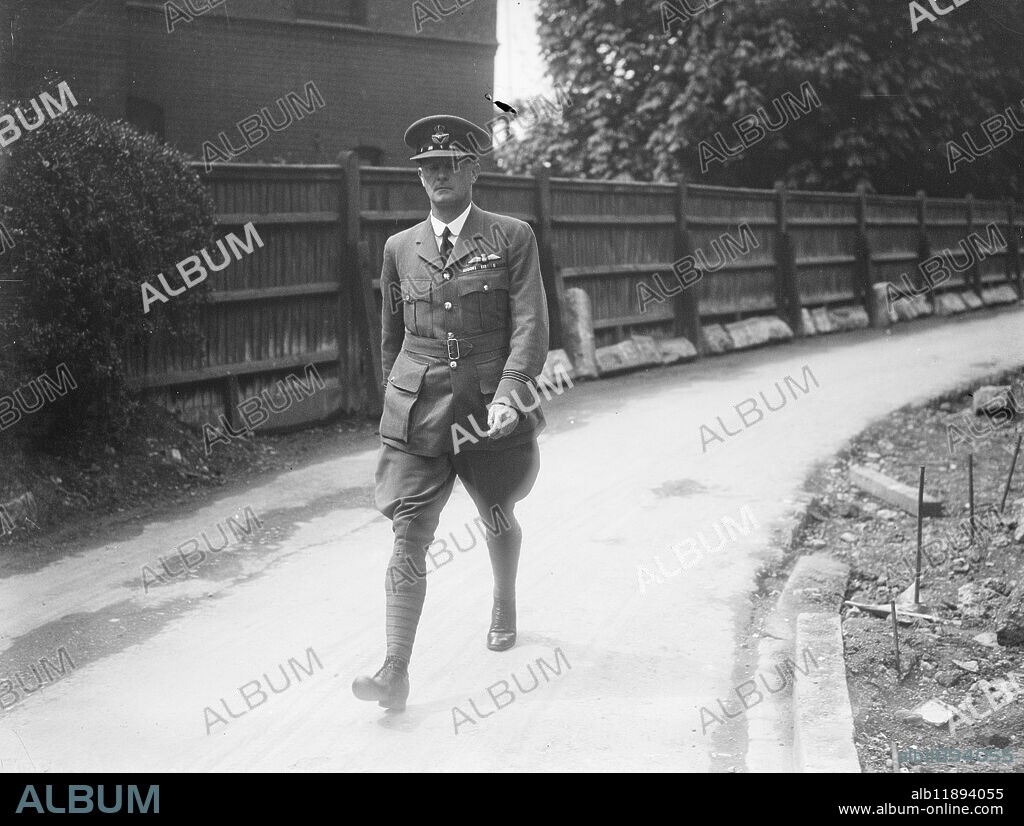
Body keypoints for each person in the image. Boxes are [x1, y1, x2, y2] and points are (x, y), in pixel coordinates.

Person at [351, 115, 550, 712]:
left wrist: (510, 395)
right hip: (419, 410)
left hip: (488, 407)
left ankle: (504, 602)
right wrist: (396, 401)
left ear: (472, 171)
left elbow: (530, 324)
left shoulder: (511, 237)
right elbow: (391, 339)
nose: (439, 175)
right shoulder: (399, 248)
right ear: (421, 177)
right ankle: (394, 670)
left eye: (451, 165)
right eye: (429, 167)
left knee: (496, 510)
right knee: (409, 529)